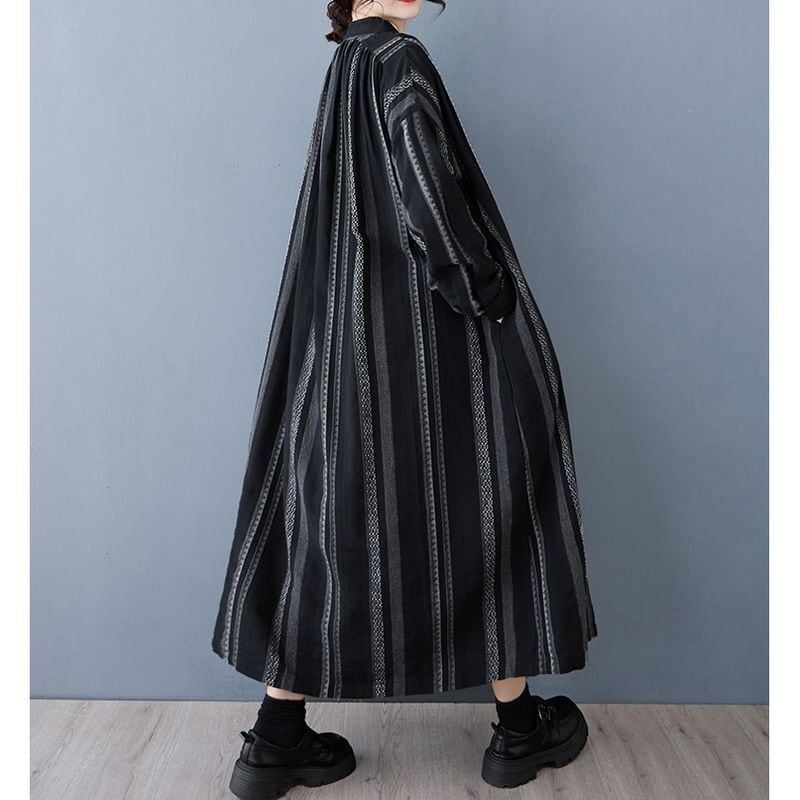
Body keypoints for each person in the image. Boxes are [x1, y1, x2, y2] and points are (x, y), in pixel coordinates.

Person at [212, 2, 598, 796]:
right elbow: (429, 199)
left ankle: (275, 741)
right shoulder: (399, 61)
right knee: (493, 497)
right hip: (425, 336)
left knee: (334, 528)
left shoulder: (347, 64)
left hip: (345, 341)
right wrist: (487, 293)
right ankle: (518, 732)